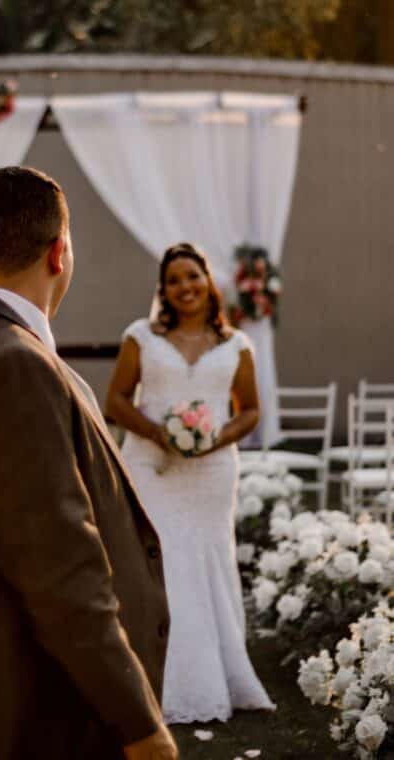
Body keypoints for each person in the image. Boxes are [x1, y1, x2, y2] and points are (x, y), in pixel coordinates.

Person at [0, 167, 180, 760]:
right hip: (26, 709)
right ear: (59, 254)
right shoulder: (14, 365)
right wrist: (138, 724)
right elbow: (59, 566)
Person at [106, 242, 275, 726]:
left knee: (206, 566)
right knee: (158, 565)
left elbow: (250, 411)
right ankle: (149, 679)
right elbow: (116, 399)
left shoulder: (236, 346)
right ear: (163, 289)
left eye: (193, 277)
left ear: (209, 282)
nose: (185, 287)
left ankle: (212, 677)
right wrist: (159, 433)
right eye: (175, 279)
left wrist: (214, 438)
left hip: (211, 475)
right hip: (150, 467)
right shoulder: (140, 337)